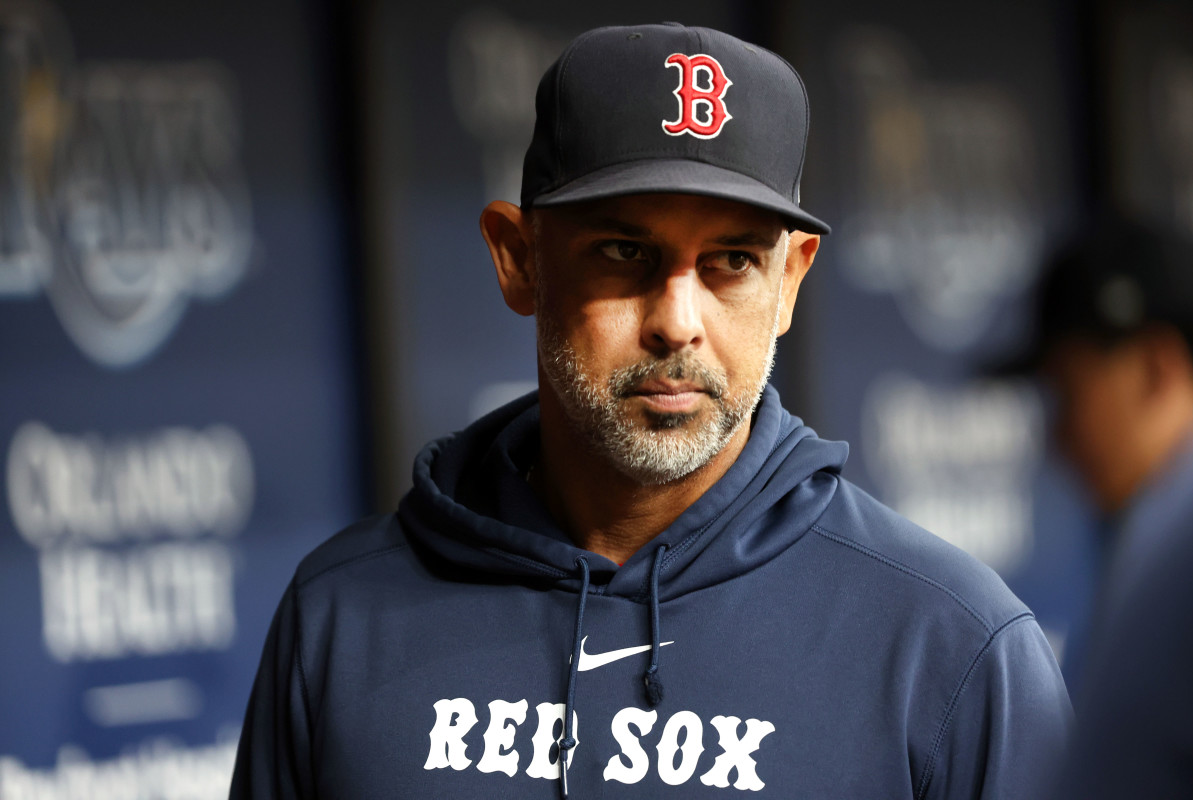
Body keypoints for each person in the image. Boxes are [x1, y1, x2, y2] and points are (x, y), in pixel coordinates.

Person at [229, 22, 1071, 798]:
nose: (677, 321)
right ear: (519, 258)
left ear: (791, 281)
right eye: (625, 251)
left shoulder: (951, 648)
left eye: (731, 261)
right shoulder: (339, 618)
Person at [1012, 218, 1193, 798]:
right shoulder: (1159, 533)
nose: (1059, 437)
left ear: (1156, 369)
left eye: (1070, 393)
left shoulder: (1180, 546)